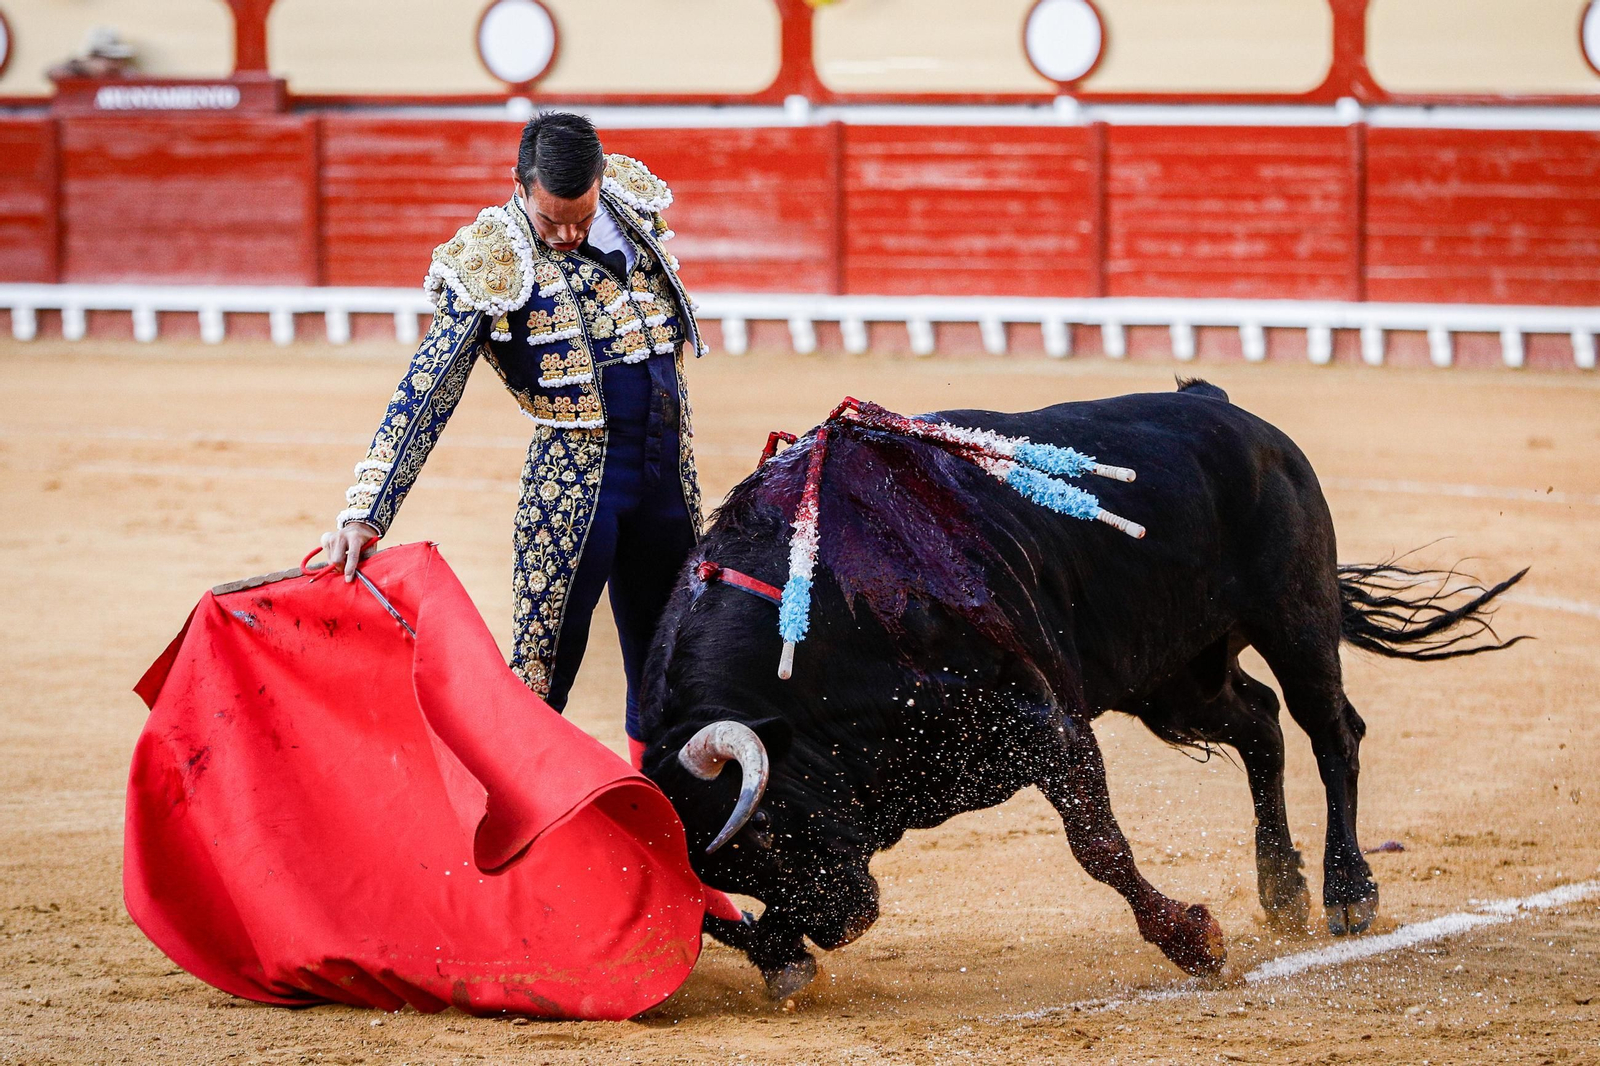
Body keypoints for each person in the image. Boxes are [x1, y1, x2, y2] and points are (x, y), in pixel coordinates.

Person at [321, 112, 706, 767]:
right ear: (519, 183)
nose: (567, 233)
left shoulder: (631, 204)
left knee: (671, 662)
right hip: (577, 482)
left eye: (580, 216)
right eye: (551, 218)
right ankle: (509, 826)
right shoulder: (494, 254)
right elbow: (430, 387)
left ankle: (663, 819)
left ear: (601, 179)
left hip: (667, 469)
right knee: (540, 672)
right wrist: (367, 510)